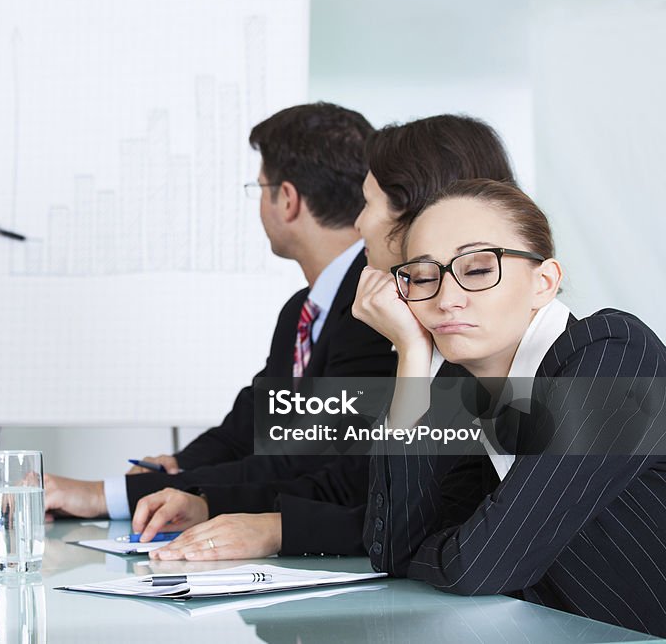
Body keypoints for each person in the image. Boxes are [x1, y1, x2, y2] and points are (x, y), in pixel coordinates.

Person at [145, 114, 519, 561]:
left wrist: (276, 529)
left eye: (367, 204)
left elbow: (450, 541)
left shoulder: (558, 351)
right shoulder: (419, 339)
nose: (358, 226)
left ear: (415, 212)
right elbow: (393, 512)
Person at [44, 102, 397, 554]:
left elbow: (308, 459)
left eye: (260, 187)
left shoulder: (372, 310)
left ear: (287, 199)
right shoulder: (302, 310)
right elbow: (250, 426)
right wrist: (175, 468)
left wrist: (103, 495)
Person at [355, 179, 666, 636]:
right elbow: (395, 552)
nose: (446, 298)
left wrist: (456, 548)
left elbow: (479, 567)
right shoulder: (464, 397)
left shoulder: (615, 355)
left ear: (544, 282)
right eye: (423, 277)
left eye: (479, 270)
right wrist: (412, 358)